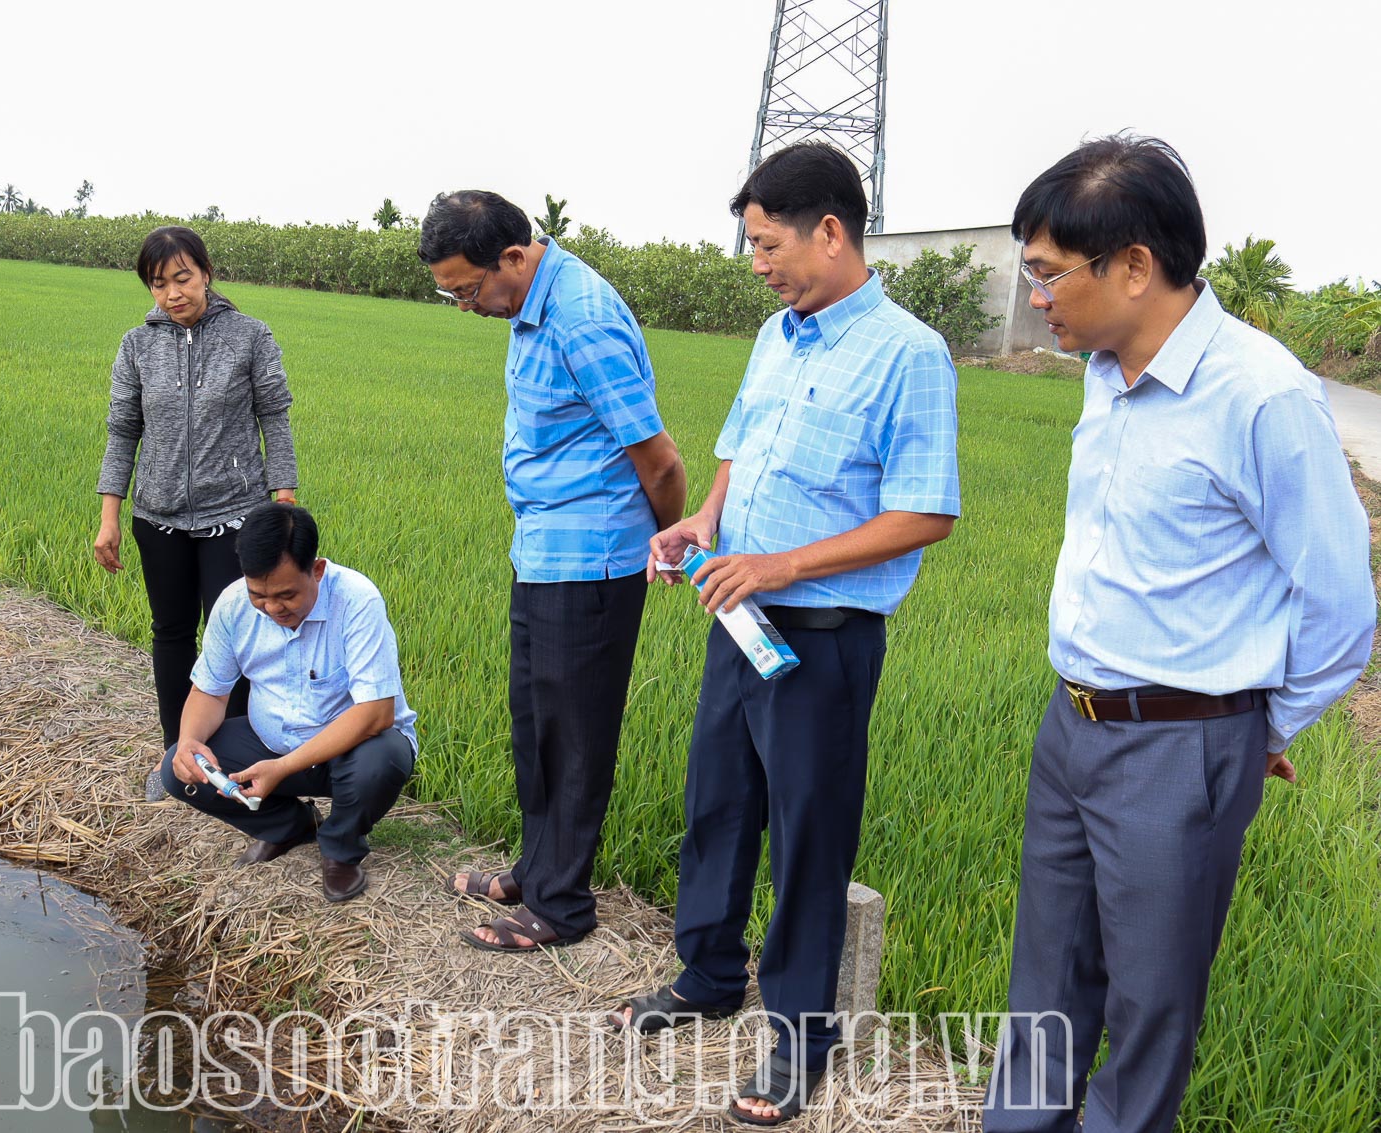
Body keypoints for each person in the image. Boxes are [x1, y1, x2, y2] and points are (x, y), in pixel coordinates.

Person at [983, 136, 1374, 1133]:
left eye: (1046, 272)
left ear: (1132, 266)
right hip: (1067, 723)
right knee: (1042, 988)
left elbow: (1338, 607)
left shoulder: (1259, 395)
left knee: (1149, 1009)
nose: (1036, 296)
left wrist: (1250, 730)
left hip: (1178, 747)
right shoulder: (1102, 371)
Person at [615, 142, 960, 1127]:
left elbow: (924, 512)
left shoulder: (906, 352)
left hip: (822, 632)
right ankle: (706, 972)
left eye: (767, 244)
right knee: (717, 800)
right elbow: (737, 456)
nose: (756, 262)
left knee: (807, 835)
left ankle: (798, 1037)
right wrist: (703, 524)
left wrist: (779, 565)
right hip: (736, 616)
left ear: (829, 231)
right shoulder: (778, 334)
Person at [416, 190, 686, 952]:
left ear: (513, 257)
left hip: (591, 560)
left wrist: (668, 540)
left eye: (468, 289)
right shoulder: (528, 304)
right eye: (451, 294)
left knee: (575, 736)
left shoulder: (582, 321)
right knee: (535, 726)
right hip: (542, 550)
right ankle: (535, 871)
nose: (466, 306)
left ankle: (562, 905)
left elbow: (660, 459)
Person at [95, 225, 299, 748]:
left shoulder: (251, 336)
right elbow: (123, 432)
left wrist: (284, 498)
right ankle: (177, 753)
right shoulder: (137, 345)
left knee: (233, 641)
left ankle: (235, 753)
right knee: (171, 635)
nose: (172, 294)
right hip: (157, 518)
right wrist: (109, 518)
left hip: (234, 514)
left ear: (206, 273)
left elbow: (274, 417)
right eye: (159, 284)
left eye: (182, 278)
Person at [159, 504, 416, 902]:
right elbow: (211, 690)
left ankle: (340, 848)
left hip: (349, 750)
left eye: (286, 595)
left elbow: (375, 714)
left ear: (317, 570)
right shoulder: (232, 606)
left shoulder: (357, 601)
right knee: (179, 768)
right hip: (270, 741)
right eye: (258, 595)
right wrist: (191, 740)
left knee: (382, 760)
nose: (273, 607)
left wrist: (282, 768)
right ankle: (289, 827)